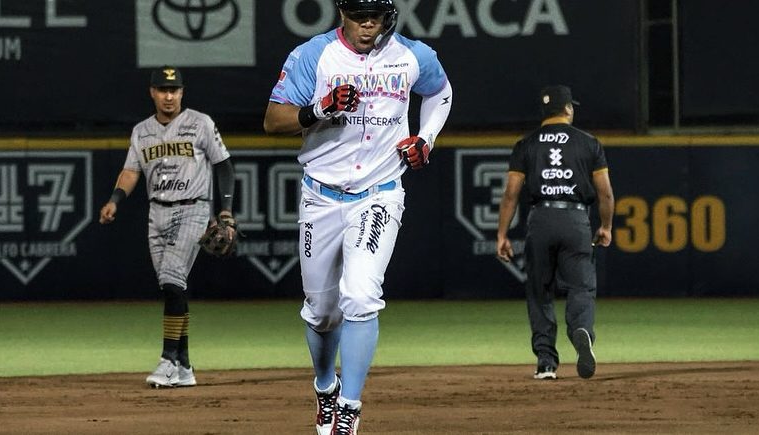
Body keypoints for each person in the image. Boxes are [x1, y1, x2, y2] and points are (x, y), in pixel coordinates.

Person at [263, 0, 452, 433]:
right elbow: (273, 120)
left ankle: (348, 407)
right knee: (321, 311)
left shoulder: (412, 56)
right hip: (321, 196)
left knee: (362, 296)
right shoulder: (314, 55)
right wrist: (319, 108)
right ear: (341, 13)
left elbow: (441, 93)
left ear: (389, 16)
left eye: (376, 16)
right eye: (359, 15)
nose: (368, 24)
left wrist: (425, 138)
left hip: (379, 195)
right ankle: (326, 387)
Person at [99, 65, 236, 388]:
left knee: (172, 282)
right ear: (153, 93)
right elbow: (131, 171)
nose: (169, 95)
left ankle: (167, 359)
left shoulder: (200, 123)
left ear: (182, 92)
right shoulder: (141, 131)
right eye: (163, 90)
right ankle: (185, 367)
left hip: (194, 210)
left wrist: (225, 212)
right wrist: (115, 200)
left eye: (174, 90)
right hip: (156, 213)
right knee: (171, 288)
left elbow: (224, 164)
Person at [496, 85, 614, 381]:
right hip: (575, 219)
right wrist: (606, 226)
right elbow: (606, 195)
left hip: (541, 218)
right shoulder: (588, 143)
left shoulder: (526, 144)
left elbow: (511, 194)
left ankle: (546, 362)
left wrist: (502, 234)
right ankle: (581, 331)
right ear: (568, 109)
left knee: (539, 291)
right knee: (581, 287)